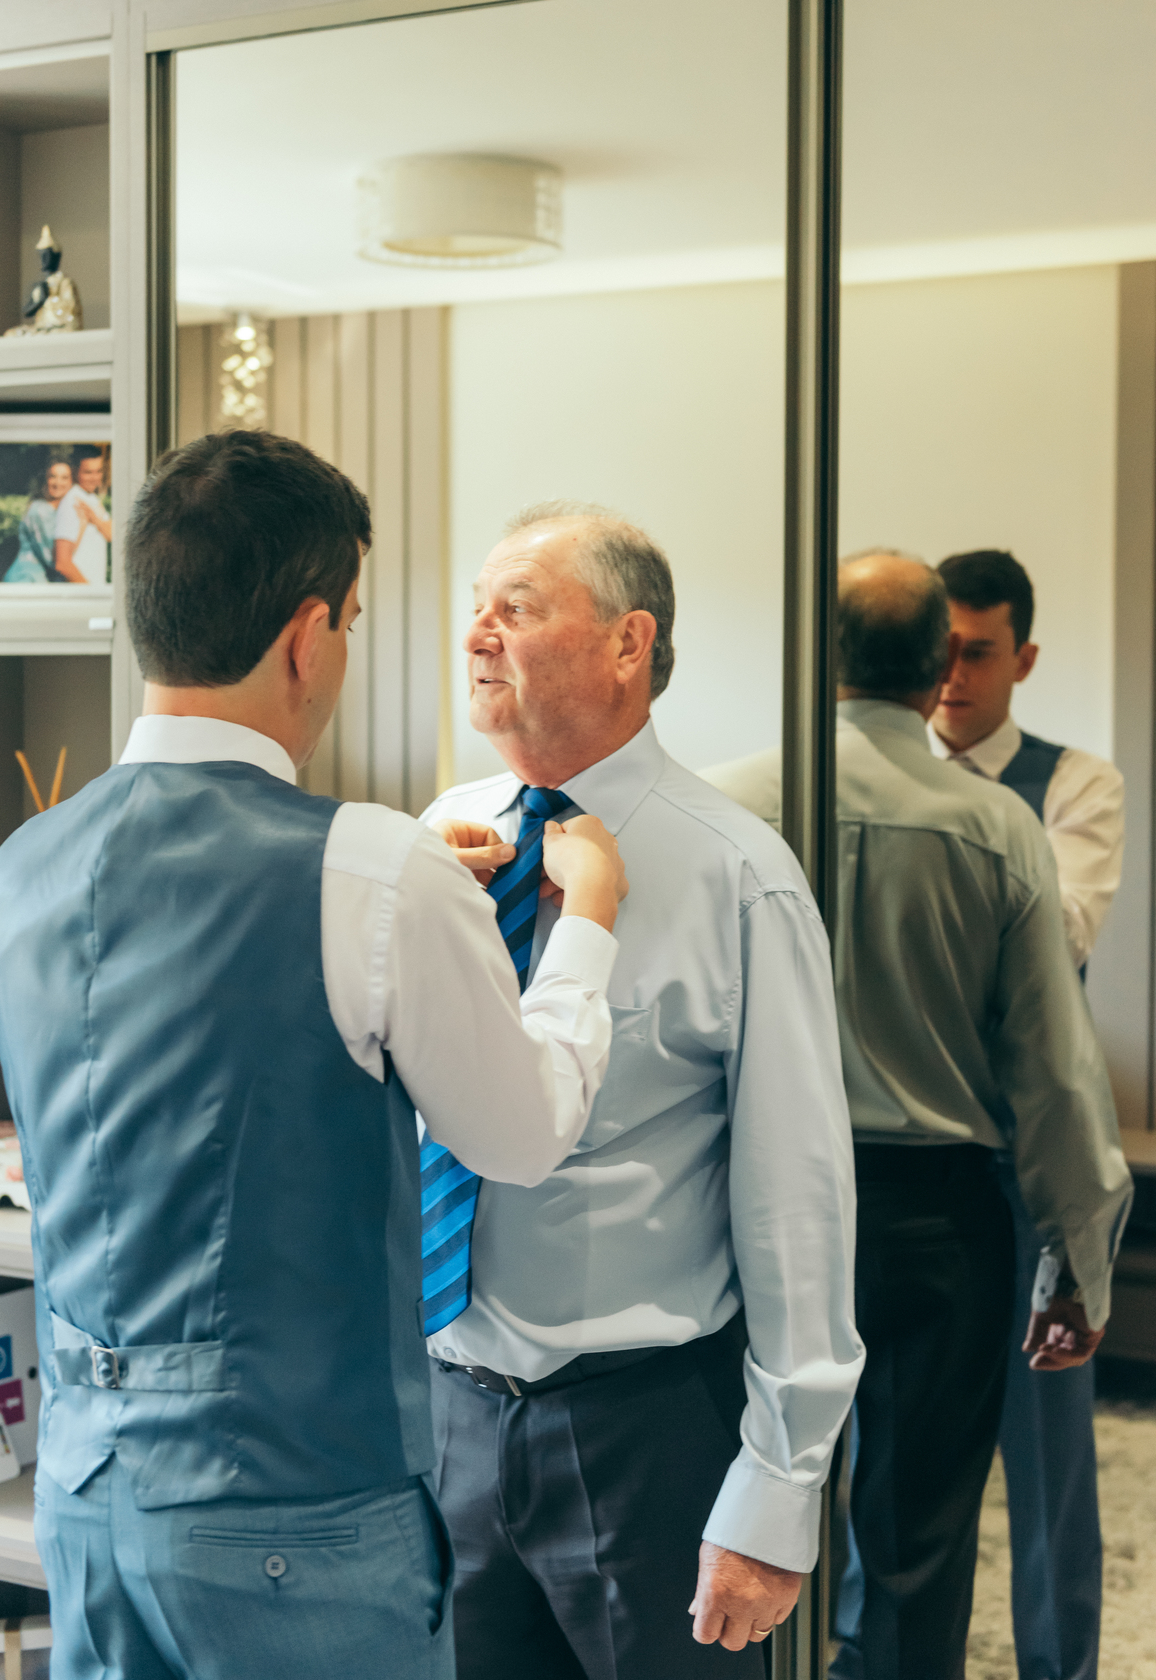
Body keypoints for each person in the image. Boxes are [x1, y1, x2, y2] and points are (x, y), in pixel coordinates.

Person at [0, 433, 630, 1680]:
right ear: (308, 632)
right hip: (298, 1513)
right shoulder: (371, 866)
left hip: (89, 1494)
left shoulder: (22, 869)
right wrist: (585, 923)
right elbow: (521, 1133)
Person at [421, 501, 863, 1678]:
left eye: (514, 608)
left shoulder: (740, 877)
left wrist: (778, 1489)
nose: (476, 634)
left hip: (646, 1434)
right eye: (475, 608)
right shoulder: (435, 840)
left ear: (628, 644)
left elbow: (799, 1203)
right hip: (445, 1414)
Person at [703, 552, 1131, 1680]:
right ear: (942, 662)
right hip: (941, 1225)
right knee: (919, 1545)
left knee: (745, 1517)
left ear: (817, 652)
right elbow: (1055, 1075)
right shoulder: (998, 830)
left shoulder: (728, 807)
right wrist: (1080, 1258)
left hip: (754, 1212)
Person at [932, 548, 1125, 1680]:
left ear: (1027, 658)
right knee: (887, 1450)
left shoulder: (1078, 783)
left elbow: (1065, 941)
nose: (958, 673)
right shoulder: (863, 776)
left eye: (982, 650)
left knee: (1049, 1448)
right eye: (944, 649)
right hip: (908, 1156)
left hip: (1034, 1160)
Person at [1, 458, 76, 583]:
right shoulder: (39, 510)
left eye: (64, 478)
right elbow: (53, 560)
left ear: (71, 482)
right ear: (45, 480)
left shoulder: (63, 511)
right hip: (26, 580)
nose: (58, 483)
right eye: (53, 476)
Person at [52, 447, 112, 586]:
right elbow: (62, 563)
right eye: (88, 472)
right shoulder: (72, 503)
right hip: (84, 594)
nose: (95, 478)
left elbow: (112, 534)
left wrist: (94, 518)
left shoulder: (91, 498)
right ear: (75, 471)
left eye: (99, 471)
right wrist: (91, 592)